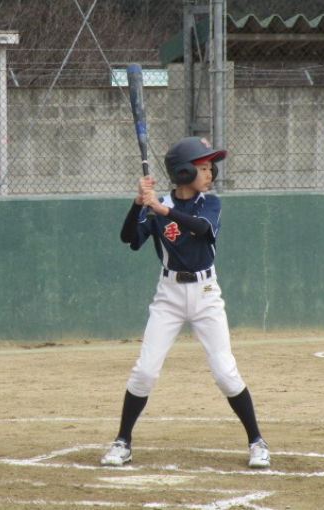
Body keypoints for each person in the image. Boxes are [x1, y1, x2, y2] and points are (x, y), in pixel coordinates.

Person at [100, 136, 270, 469]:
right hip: (169, 296)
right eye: (202, 167)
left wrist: (162, 209)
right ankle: (122, 442)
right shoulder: (156, 205)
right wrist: (138, 203)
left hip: (206, 294)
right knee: (144, 371)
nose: (210, 173)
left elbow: (202, 229)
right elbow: (129, 238)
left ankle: (257, 441)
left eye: (210, 167)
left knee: (225, 373)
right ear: (183, 172)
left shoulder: (210, 203)